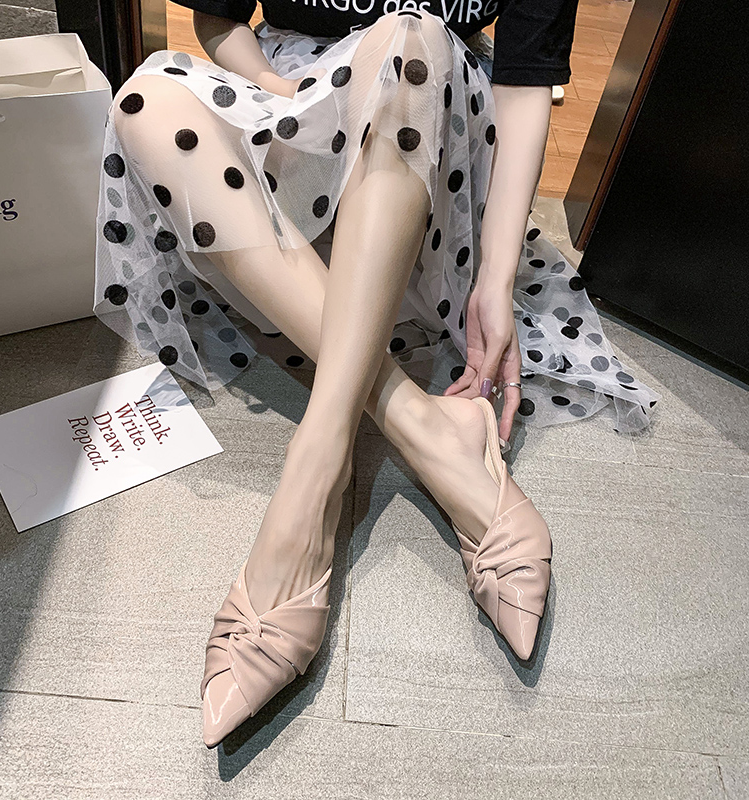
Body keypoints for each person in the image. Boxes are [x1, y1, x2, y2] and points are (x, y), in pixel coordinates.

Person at [94, 0, 660, 748]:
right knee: (144, 100)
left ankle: (311, 478)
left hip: (432, 140)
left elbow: (527, 76)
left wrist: (496, 278)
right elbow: (219, 21)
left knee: (409, 35)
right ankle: (424, 429)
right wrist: (284, 90)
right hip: (289, 100)